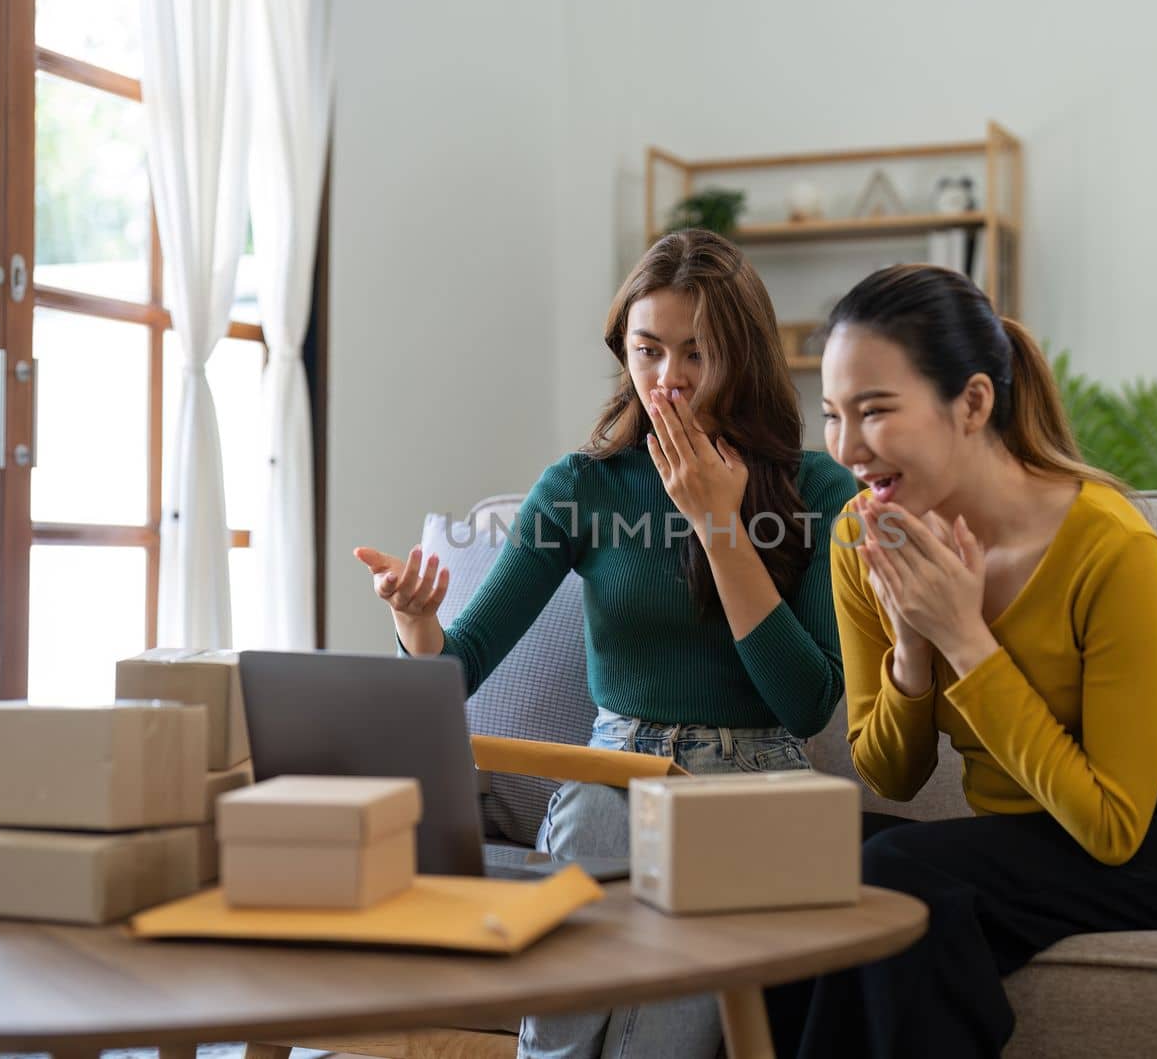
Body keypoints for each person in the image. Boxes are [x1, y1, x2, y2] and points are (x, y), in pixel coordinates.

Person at [354, 229, 860, 1059]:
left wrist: (719, 524)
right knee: (591, 828)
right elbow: (461, 662)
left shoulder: (818, 490)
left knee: (656, 1030)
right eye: (648, 351)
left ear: (745, 354)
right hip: (613, 774)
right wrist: (415, 622)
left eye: (698, 353)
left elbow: (805, 700)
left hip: (754, 781)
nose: (670, 380)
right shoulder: (582, 486)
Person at [768, 264, 1157, 1058]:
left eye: (875, 411)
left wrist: (968, 639)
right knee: (791, 860)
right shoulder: (862, 540)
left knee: (896, 865)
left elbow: (1113, 825)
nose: (846, 447)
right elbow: (892, 775)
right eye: (832, 415)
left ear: (972, 403)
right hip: (1034, 834)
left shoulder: (1109, 542)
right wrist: (913, 643)